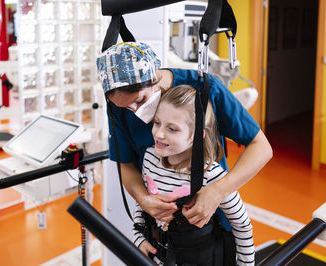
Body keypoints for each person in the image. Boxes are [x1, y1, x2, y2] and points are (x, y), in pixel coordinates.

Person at [96, 42, 272, 229]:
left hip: (209, 223)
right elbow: (126, 165)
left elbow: (261, 147)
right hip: (160, 226)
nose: (135, 111)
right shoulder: (119, 107)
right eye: (125, 107)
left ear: (154, 77)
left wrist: (217, 191)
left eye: (140, 100)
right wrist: (143, 199)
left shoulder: (206, 89)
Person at [132, 85, 254, 265]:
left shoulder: (211, 175)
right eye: (157, 123)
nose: (159, 133)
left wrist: (246, 264)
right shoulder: (149, 158)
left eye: (172, 129)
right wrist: (138, 237)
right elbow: (142, 202)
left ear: (196, 136)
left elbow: (242, 225)